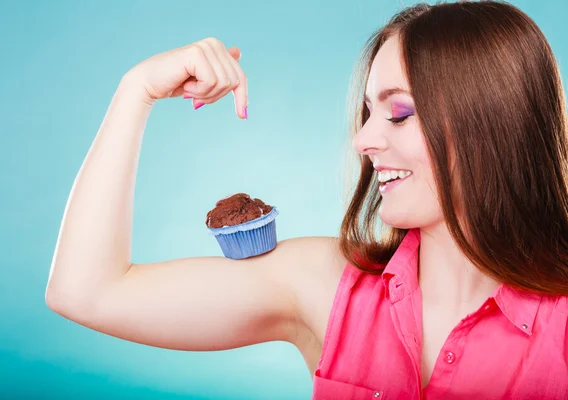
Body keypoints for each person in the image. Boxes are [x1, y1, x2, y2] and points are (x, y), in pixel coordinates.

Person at [45, 0, 568, 398]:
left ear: (495, 126)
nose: (363, 140)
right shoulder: (324, 283)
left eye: (400, 113)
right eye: (367, 113)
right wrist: (135, 91)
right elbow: (86, 291)